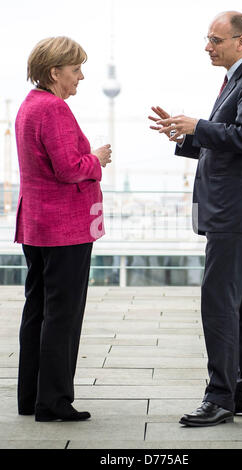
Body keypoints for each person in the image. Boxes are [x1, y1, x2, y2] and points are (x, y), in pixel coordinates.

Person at [149, 11, 242, 427]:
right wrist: (185, 135)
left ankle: (220, 397)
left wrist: (199, 126)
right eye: (208, 39)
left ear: (241, 42)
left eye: (216, 40)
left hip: (234, 211)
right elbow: (226, 141)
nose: (208, 46)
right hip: (230, 209)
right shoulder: (237, 81)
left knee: (219, 304)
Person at [15, 36, 112, 422]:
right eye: (75, 70)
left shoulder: (29, 106)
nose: (81, 77)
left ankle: (32, 396)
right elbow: (69, 168)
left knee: (37, 309)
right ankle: (54, 401)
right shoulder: (54, 109)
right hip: (65, 229)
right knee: (63, 315)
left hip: (37, 225)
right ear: (54, 71)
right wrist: (96, 159)